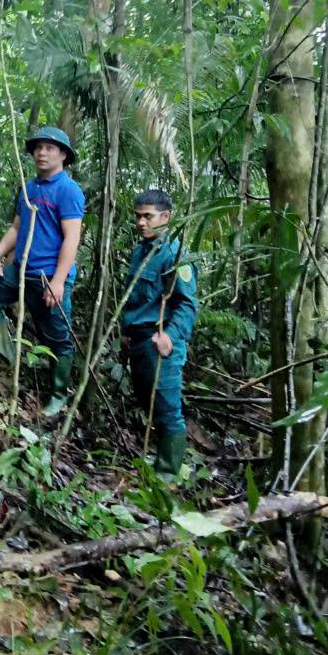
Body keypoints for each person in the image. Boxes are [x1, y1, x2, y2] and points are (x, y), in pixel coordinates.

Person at [0, 127, 84, 419]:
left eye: (50, 148)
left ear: (62, 155)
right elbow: (17, 228)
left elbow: (72, 238)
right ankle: (10, 358)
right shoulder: (29, 187)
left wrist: (58, 282)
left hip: (48, 279)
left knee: (58, 338)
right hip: (19, 272)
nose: (42, 152)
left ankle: (58, 395)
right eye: (38, 148)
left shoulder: (68, 190)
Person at [120, 188, 198, 476]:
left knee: (167, 407)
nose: (141, 222)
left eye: (148, 217)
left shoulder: (177, 255)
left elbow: (187, 304)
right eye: (138, 216)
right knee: (147, 402)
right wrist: (125, 333)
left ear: (166, 217)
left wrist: (169, 336)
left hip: (160, 342)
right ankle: (160, 459)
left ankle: (169, 472)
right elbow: (136, 297)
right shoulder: (140, 251)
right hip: (138, 340)